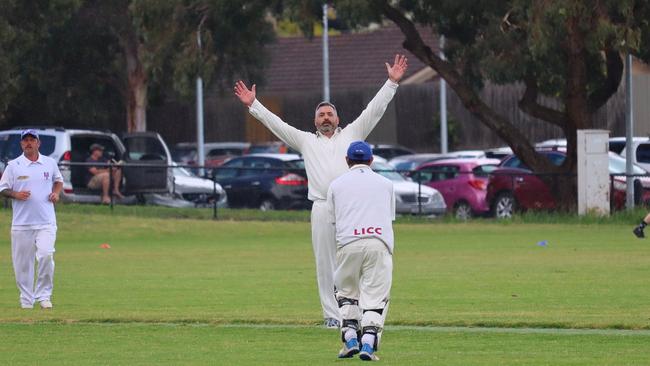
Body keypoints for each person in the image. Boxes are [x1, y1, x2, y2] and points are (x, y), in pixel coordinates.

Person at [234, 54, 407, 328]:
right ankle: (332, 315)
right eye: (321, 114)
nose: (326, 118)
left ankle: (360, 312)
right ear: (315, 120)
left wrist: (392, 83)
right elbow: (277, 125)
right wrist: (253, 104)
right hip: (322, 206)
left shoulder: (352, 134)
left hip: (351, 207)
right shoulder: (305, 141)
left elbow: (375, 109)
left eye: (329, 114)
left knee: (356, 259)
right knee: (326, 263)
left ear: (338, 118)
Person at [326, 141, 395, 361]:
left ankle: (350, 338)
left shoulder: (336, 185)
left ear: (347, 161)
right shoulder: (386, 184)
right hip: (379, 243)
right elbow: (389, 216)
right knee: (375, 297)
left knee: (346, 293)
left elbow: (332, 220)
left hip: (348, 243)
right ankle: (368, 343)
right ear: (371, 161)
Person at [0, 129, 63, 309]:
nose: (28, 143)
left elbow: (58, 181)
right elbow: (2, 188)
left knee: (45, 255)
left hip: (46, 221)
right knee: (22, 264)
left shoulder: (49, 163)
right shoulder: (14, 165)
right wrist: (16, 194)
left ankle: (44, 296)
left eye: (32, 140)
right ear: (21, 144)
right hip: (21, 224)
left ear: (38, 143)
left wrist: (56, 194)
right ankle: (26, 300)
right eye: (25, 140)